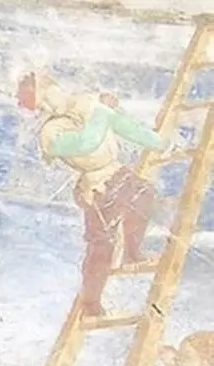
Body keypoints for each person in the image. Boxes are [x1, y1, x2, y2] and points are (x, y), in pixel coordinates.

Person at [17, 72, 168, 318]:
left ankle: (132, 253)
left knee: (143, 194)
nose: (47, 104)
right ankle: (91, 303)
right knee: (101, 246)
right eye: (40, 104)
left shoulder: (85, 103)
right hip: (96, 186)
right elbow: (87, 142)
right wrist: (103, 112)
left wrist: (159, 143)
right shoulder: (50, 132)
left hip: (116, 172)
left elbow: (123, 126)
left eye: (46, 95)